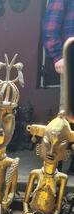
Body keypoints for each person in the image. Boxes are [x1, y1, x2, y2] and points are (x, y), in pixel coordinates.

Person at [43, 0, 74, 174]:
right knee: (67, 114)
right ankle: (55, 165)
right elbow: (51, 22)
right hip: (71, 58)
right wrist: (57, 55)